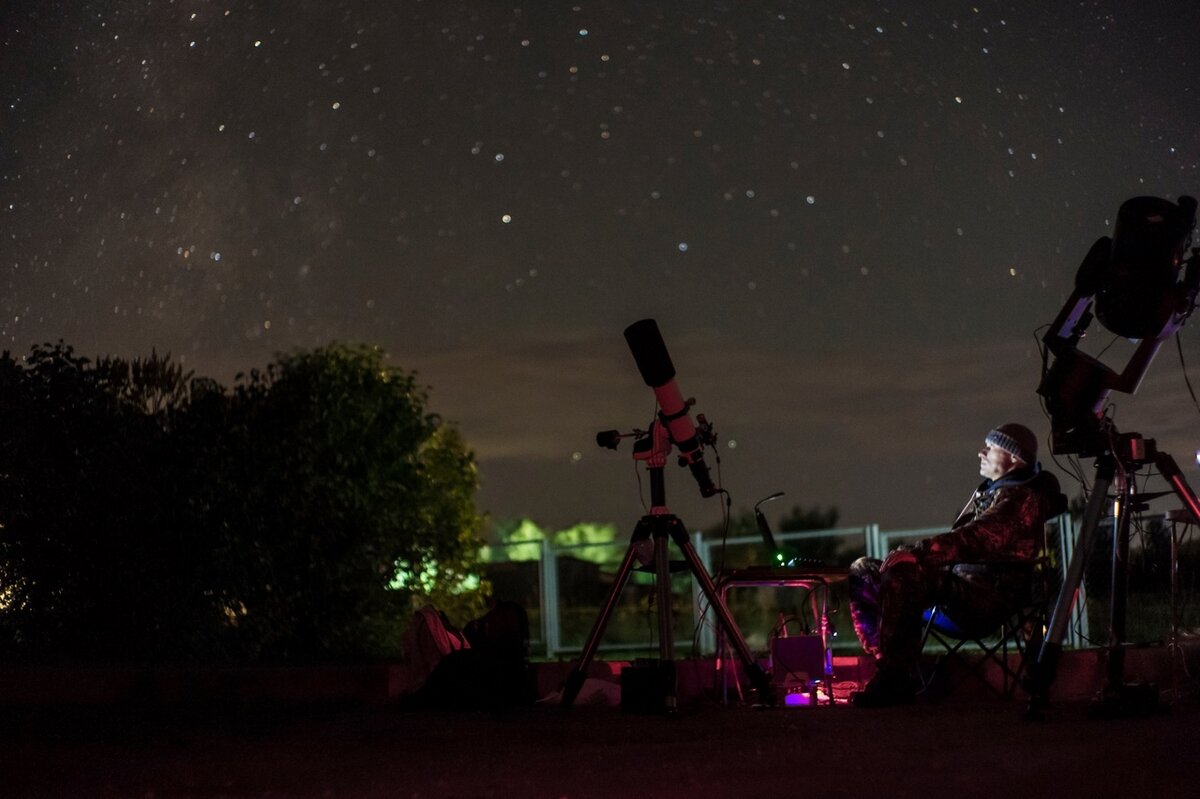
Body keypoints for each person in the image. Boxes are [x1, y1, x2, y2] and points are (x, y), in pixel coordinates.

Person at [847, 422, 1066, 707]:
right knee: (864, 571)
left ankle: (895, 680)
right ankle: (890, 666)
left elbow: (977, 538)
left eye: (990, 448)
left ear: (1013, 458)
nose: (981, 453)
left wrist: (918, 553)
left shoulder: (1023, 499)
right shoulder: (993, 494)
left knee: (903, 572)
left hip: (985, 600)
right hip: (956, 591)